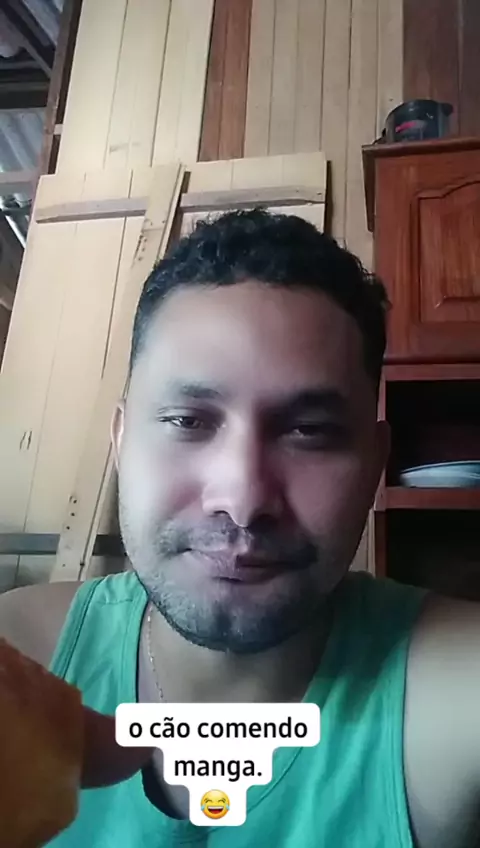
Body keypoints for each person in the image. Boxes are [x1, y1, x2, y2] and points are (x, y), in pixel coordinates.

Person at [0, 209, 479, 848]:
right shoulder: (19, 649)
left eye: (309, 431)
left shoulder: (455, 684)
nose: (244, 501)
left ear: (374, 464)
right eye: (187, 421)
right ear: (121, 441)